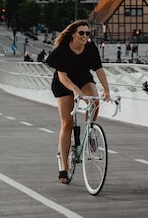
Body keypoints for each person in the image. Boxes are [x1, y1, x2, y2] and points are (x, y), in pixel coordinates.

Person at [45, 19, 111, 185]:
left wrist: (107, 89)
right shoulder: (62, 50)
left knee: (94, 101)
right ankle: (64, 168)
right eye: (81, 33)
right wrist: (75, 90)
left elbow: (99, 69)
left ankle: (90, 131)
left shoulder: (90, 48)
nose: (85, 36)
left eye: (88, 33)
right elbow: (62, 76)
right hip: (64, 85)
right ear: (73, 34)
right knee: (66, 123)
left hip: (83, 79)